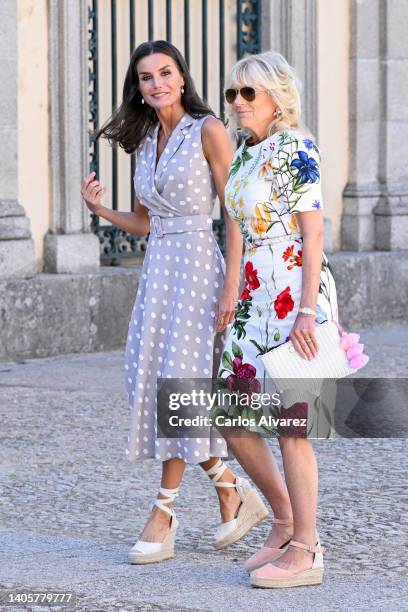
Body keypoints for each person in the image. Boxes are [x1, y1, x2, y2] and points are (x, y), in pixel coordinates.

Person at [81, 40, 268, 565]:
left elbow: (235, 213)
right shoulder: (144, 141)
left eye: (165, 73)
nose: (157, 83)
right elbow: (145, 222)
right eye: (146, 77)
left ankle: (163, 513)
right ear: (137, 88)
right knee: (157, 381)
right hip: (158, 272)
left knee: (178, 385)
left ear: (182, 78)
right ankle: (230, 488)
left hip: (198, 268)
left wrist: (232, 284)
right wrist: (102, 209)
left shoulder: (207, 130)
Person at [212, 50, 339, 588]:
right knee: (233, 416)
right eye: (232, 94)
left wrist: (308, 312)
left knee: (293, 427)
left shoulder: (296, 148)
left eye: (248, 94)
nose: (238, 104)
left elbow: (313, 234)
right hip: (251, 301)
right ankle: (284, 521)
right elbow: (236, 228)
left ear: (275, 98)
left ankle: (308, 551)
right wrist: (230, 291)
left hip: (294, 295)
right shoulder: (243, 154)